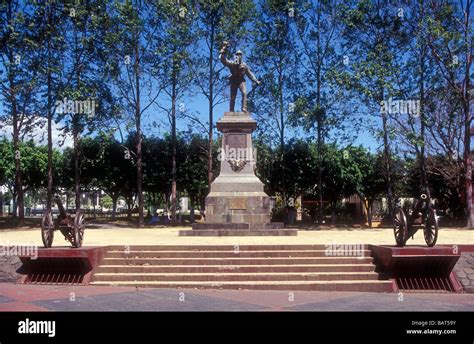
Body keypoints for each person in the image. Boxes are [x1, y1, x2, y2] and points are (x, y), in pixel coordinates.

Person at [219, 41, 260, 113]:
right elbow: (224, 61)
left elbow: (250, 74)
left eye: (240, 54)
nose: (239, 56)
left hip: (241, 81)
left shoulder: (244, 65)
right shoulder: (232, 63)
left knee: (244, 93)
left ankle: (244, 108)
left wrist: (256, 80)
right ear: (235, 56)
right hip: (234, 80)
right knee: (233, 96)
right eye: (237, 54)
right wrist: (223, 52)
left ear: (242, 56)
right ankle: (231, 110)